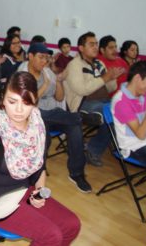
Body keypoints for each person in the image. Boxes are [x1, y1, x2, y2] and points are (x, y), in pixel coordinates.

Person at [0, 71, 81, 245]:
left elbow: (40, 166)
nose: (19, 110)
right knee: (51, 235)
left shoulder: (38, 127)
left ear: (35, 101)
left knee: (72, 225)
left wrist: (39, 192)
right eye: (12, 102)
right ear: (3, 98)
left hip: (23, 191)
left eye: (27, 103)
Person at [18, 43, 92, 193]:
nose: (44, 61)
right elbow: (28, 101)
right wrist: (45, 84)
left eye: (46, 58)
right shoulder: (22, 73)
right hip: (33, 115)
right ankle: (37, 171)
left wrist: (57, 81)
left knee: (74, 127)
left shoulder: (48, 72)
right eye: (40, 57)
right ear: (30, 56)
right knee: (49, 121)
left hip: (54, 114)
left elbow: (59, 97)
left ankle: (77, 174)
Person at [110, 61, 146, 245]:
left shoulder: (145, 95)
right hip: (134, 146)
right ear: (138, 78)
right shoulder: (120, 100)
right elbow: (140, 134)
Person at [63, 32, 124, 166]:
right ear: (81, 48)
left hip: (103, 101)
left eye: (96, 44)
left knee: (124, 109)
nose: (95, 47)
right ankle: (93, 150)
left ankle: (123, 145)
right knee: (113, 115)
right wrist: (104, 78)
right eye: (91, 44)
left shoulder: (98, 63)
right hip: (83, 104)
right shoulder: (74, 65)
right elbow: (82, 90)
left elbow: (109, 88)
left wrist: (112, 78)